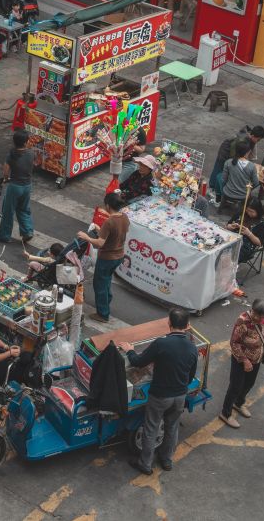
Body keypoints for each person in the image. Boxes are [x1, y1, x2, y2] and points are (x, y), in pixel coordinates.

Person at [117, 307, 199, 475]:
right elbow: (190, 376)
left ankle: (145, 464)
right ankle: (166, 460)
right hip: (179, 396)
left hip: (160, 396)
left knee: (151, 428)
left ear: (169, 323)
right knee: (172, 427)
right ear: (187, 325)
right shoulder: (192, 347)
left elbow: (138, 362)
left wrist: (129, 350)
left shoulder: (162, 343)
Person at [219, 299, 264, 429]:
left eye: (260, 315)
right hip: (241, 359)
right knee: (235, 386)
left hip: (257, 359)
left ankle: (238, 403)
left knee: (249, 383)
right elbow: (234, 342)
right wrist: (245, 360)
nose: (256, 317)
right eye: (254, 313)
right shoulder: (243, 321)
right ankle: (226, 413)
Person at [78, 192, 129, 323]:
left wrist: (87, 237)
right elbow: (113, 235)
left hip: (107, 257)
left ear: (107, 205)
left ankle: (103, 314)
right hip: (119, 255)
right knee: (106, 281)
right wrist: (98, 229)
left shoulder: (110, 221)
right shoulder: (124, 218)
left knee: (99, 284)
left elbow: (100, 243)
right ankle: (106, 299)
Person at [0, 130, 36, 245]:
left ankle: (5, 236)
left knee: (8, 211)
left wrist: (6, 179)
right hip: (27, 186)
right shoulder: (31, 153)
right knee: (24, 209)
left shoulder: (11, 155)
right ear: (25, 143)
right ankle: (27, 231)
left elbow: (5, 170)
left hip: (15, 186)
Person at [220, 140, 261, 211]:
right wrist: (249, 189)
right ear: (247, 152)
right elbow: (256, 183)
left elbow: (223, 179)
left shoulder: (228, 162)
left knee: (219, 177)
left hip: (227, 192)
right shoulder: (251, 166)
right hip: (243, 195)